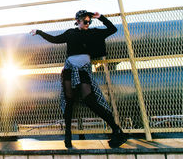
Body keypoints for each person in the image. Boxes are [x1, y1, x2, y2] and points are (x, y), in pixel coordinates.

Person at [30, 10, 127, 148]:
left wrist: (101, 17)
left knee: (90, 100)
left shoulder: (93, 32)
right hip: (69, 69)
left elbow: (113, 29)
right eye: (85, 21)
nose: (87, 23)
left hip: (83, 70)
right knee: (69, 101)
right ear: (78, 20)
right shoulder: (70, 33)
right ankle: (68, 136)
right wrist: (39, 31)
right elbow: (55, 39)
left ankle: (116, 130)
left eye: (89, 21)